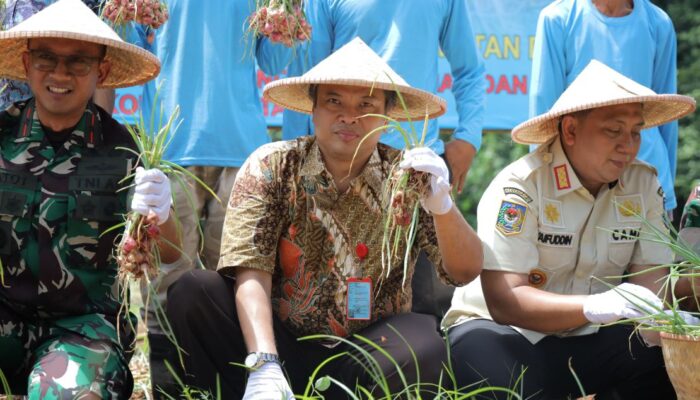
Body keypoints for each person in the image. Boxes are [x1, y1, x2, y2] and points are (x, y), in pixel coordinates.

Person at [166, 38, 483, 399]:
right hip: (276, 342)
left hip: (365, 351)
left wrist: (443, 207)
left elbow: (465, 271)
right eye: (334, 101)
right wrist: (264, 361)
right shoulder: (273, 166)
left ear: (387, 116)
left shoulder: (409, 176)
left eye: (366, 105)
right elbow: (251, 270)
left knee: (423, 341)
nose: (349, 116)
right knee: (194, 292)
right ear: (313, 108)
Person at [442, 60, 695, 399]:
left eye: (636, 132)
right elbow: (506, 302)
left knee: (660, 359)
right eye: (613, 130)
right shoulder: (521, 187)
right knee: (496, 372)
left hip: (589, 337)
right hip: (502, 330)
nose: (628, 145)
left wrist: (664, 319)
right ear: (571, 130)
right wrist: (594, 305)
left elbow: (650, 287)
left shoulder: (643, 183)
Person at [0, 0, 179, 397]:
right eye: (47, 58)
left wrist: (161, 213)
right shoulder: (2, 135)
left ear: (102, 71)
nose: (60, 73)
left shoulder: (124, 151)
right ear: (27, 64)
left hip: (84, 330)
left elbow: (168, 251)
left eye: (78, 62)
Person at [282, 0, 486, 317]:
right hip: (340, 164)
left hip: (413, 166)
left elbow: (469, 69)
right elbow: (309, 73)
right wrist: (296, 154)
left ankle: (410, 362)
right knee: (321, 290)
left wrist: (468, 137)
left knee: (421, 303)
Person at [133, 1, 292, 395]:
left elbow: (275, 60)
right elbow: (130, 48)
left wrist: (285, 13)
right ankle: (171, 390)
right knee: (165, 284)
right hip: (171, 148)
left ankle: (243, 386)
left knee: (240, 283)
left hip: (242, 151)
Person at [530, 0, 680, 215]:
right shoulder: (558, 19)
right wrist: (542, 186)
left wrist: (665, 189)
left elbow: (666, 112)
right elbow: (545, 113)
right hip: (578, 183)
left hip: (648, 178)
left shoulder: (658, 23)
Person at [0, 0, 115, 112]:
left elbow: (107, 53)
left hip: (72, 118)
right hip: (8, 113)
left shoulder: (96, 5)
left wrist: (101, 127)